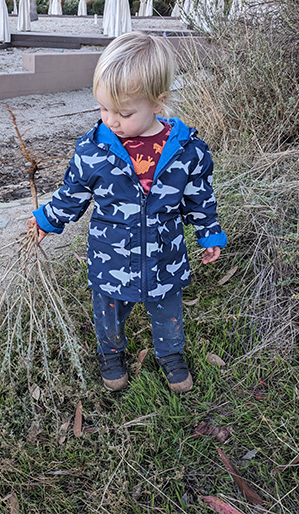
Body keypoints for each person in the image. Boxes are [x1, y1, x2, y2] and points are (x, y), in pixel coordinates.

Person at [28, 32, 226, 394]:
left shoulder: (187, 150)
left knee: (168, 310)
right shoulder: (94, 150)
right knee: (108, 309)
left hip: (165, 255)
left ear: (158, 103)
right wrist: (47, 219)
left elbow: (200, 196)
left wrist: (208, 233)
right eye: (103, 109)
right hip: (110, 254)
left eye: (124, 112)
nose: (111, 120)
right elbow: (73, 193)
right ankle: (111, 353)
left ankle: (170, 355)